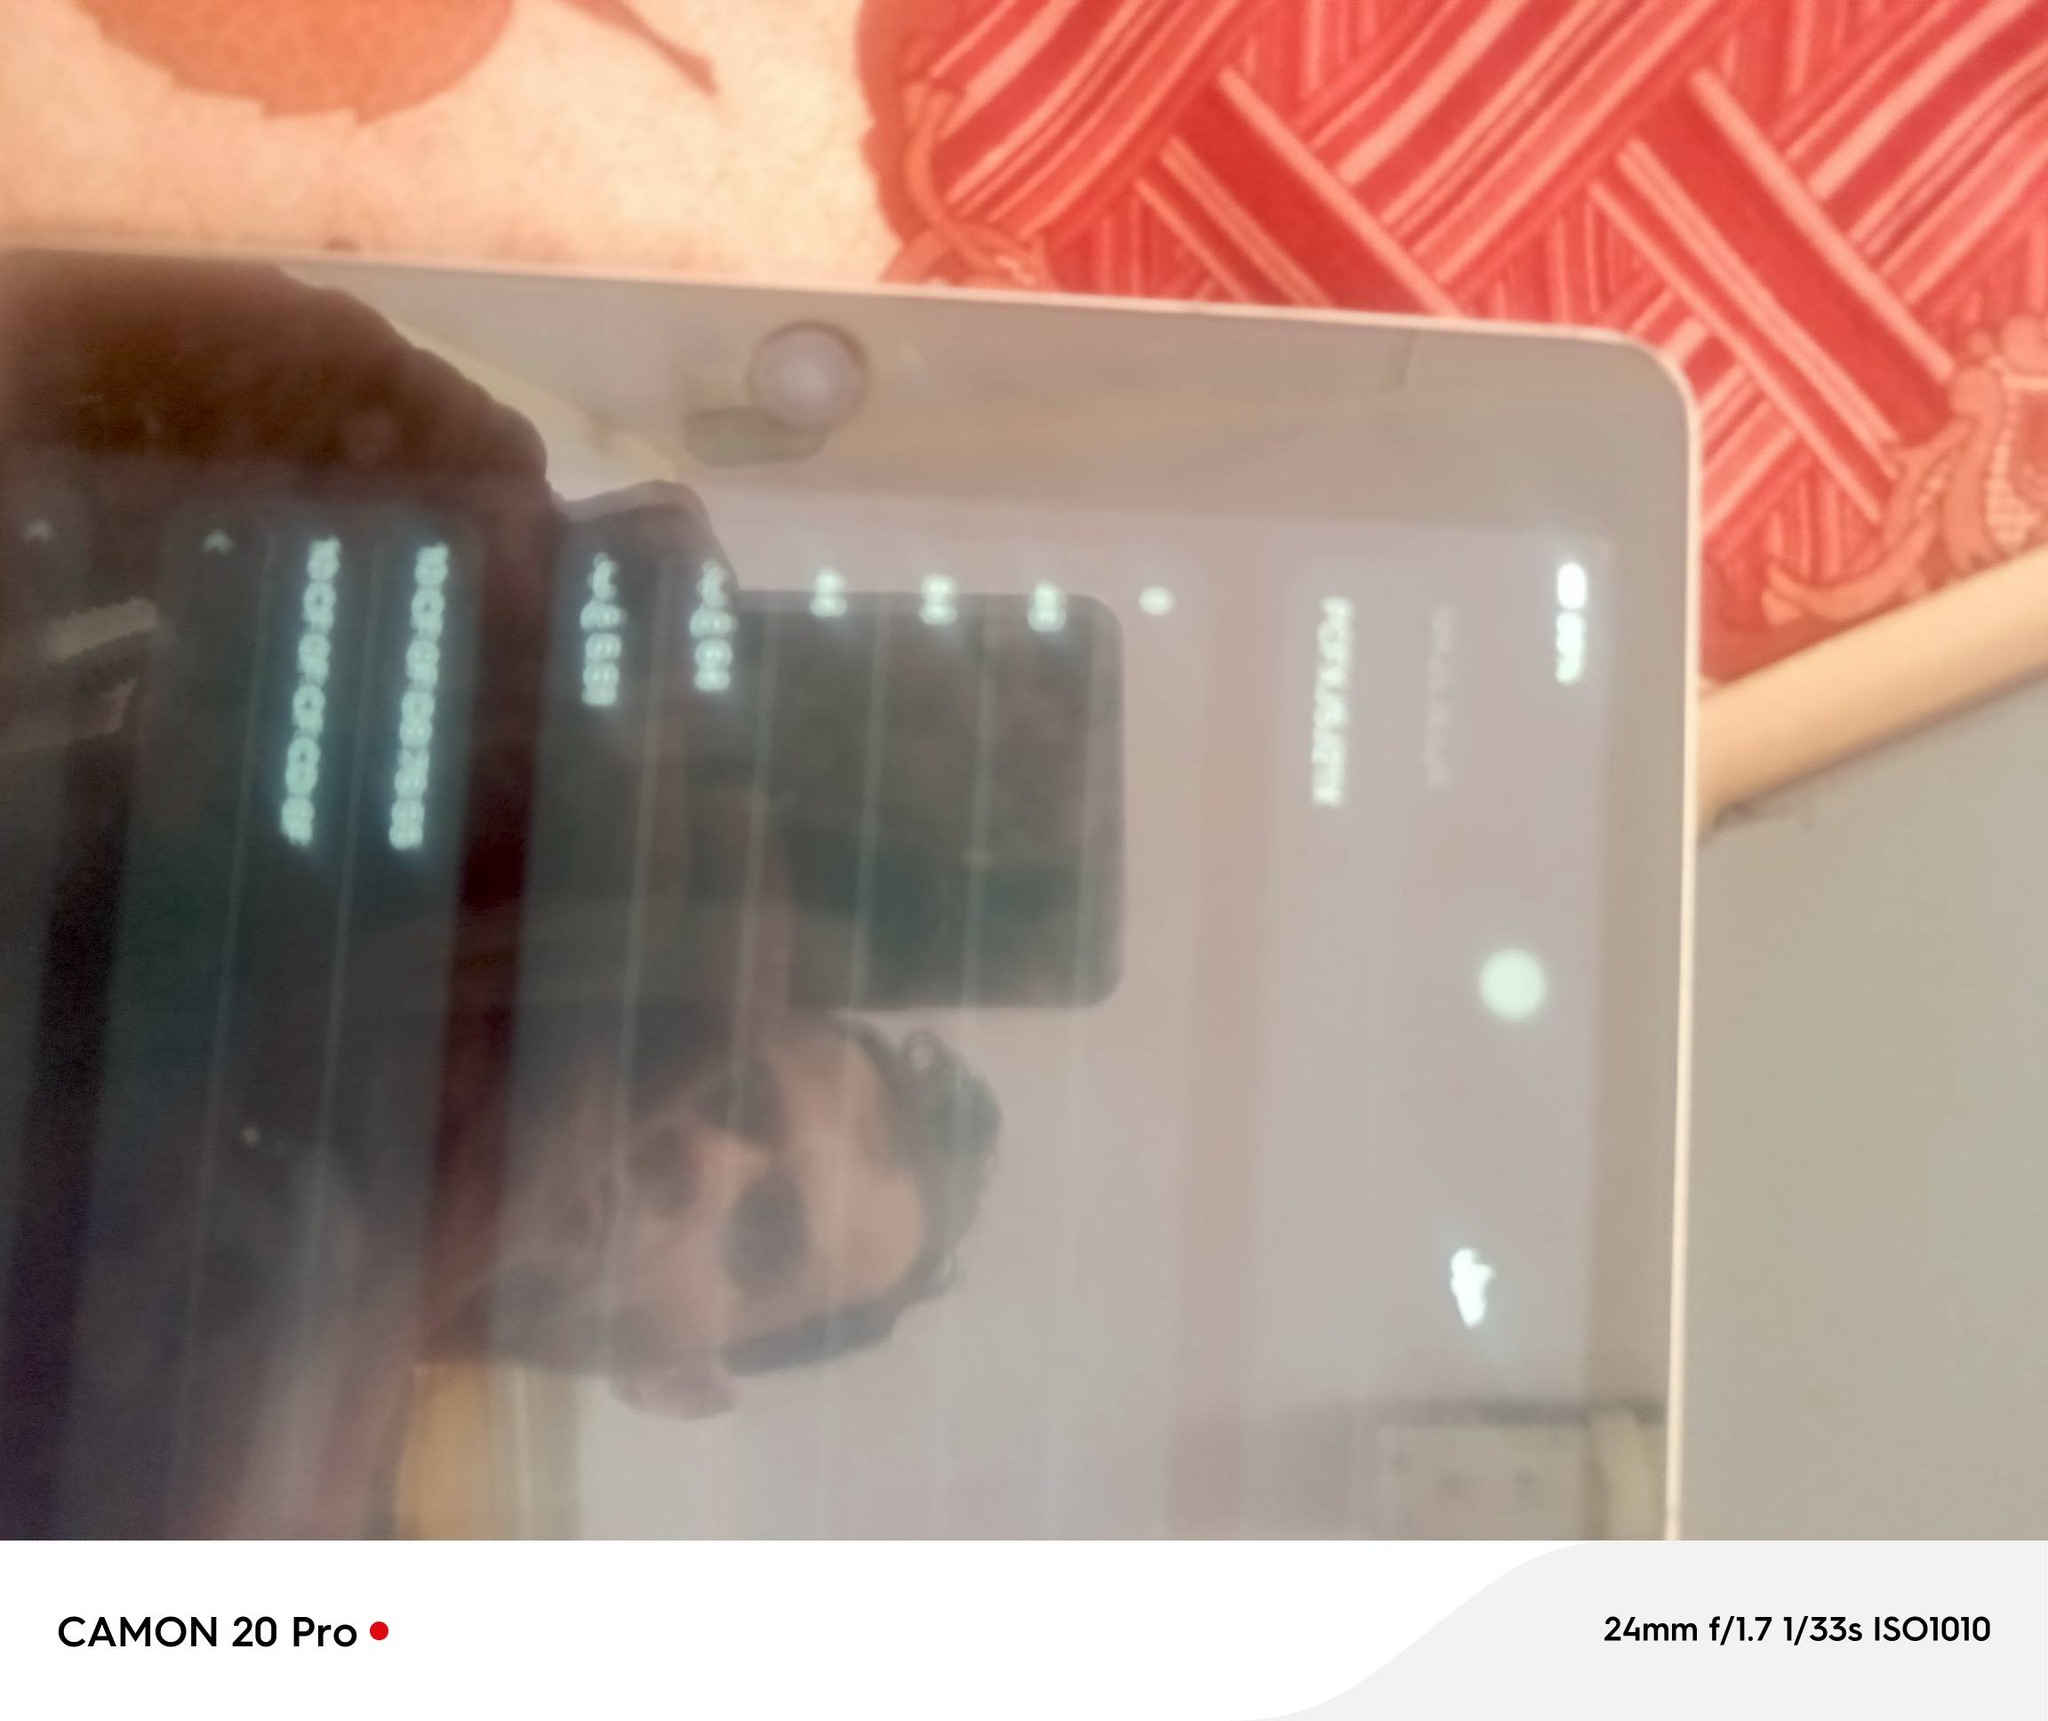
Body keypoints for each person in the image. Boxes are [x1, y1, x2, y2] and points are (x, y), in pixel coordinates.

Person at [0, 250, 1001, 1535]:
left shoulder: (278, 1551)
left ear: (678, 1376)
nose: (700, 1155)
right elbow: (312, 397)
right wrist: (519, 582)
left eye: (760, 1234)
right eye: (723, 1084)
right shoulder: (308, 911)